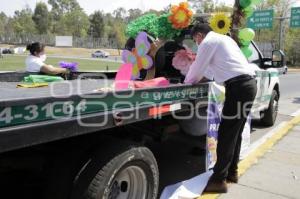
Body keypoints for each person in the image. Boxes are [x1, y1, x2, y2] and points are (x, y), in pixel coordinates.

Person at [184, 24, 257, 193]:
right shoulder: (224, 39)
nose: (196, 43)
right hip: (248, 85)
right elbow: (210, 71)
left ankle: (218, 180)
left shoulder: (208, 42)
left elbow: (197, 69)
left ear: (200, 35)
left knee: (226, 134)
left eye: (195, 40)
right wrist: (198, 78)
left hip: (238, 87)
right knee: (235, 133)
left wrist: (185, 82)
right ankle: (232, 172)